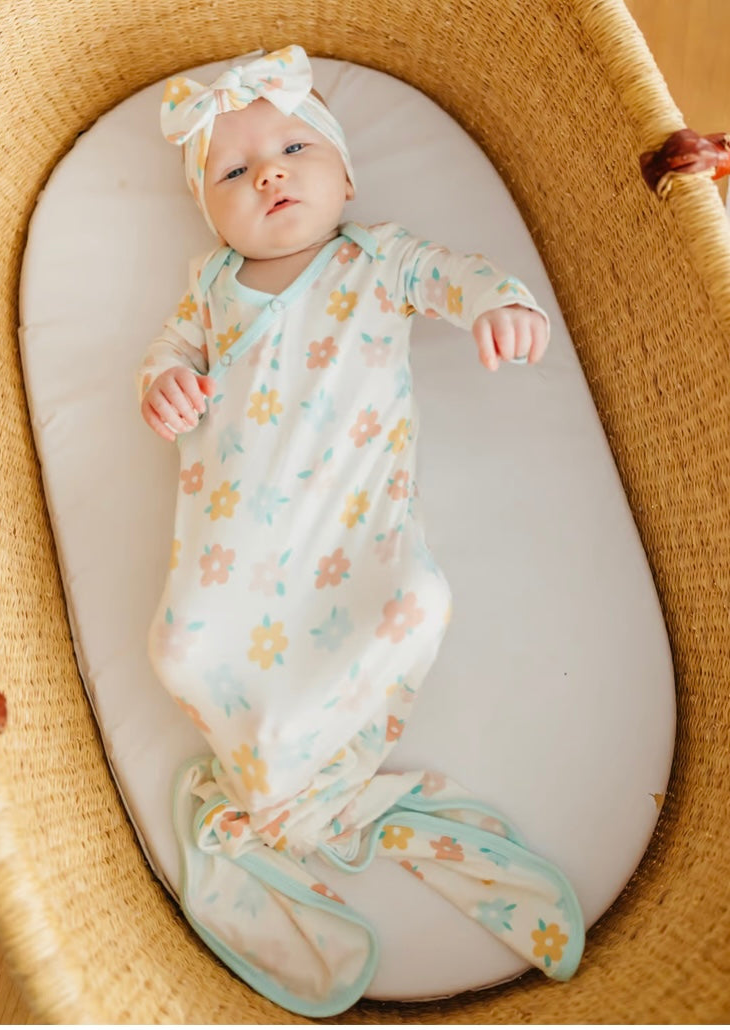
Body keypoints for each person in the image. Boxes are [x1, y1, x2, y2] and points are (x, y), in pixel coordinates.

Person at [136, 46, 582, 1016]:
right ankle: (284, 781)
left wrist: (499, 304)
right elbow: (166, 353)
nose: (269, 173)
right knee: (178, 645)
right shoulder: (211, 289)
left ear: (347, 176)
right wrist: (163, 384)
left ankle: (300, 776)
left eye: (294, 146)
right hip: (236, 547)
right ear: (209, 210)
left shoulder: (373, 258)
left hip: (352, 531)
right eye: (233, 170)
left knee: (416, 602)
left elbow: (452, 274)